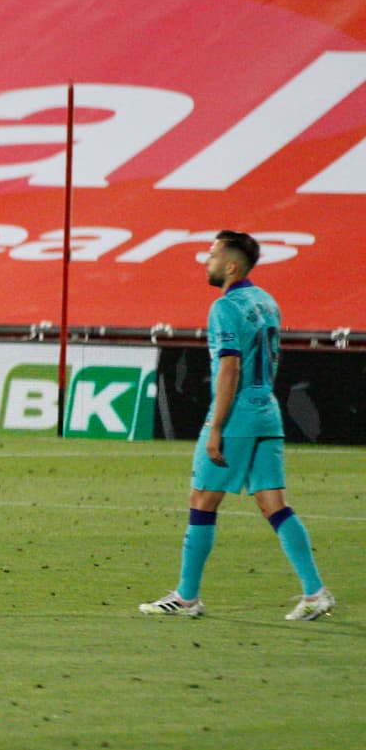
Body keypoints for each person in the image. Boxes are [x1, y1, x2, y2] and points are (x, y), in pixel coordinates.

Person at [140, 230, 334, 621]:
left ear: (230, 265)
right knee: (273, 505)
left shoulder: (223, 308)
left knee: (202, 501)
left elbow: (230, 366)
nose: (206, 262)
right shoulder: (266, 302)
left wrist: (216, 425)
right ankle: (316, 592)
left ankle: (187, 597)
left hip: (238, 417)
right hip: (268, 411)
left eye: (211, 256)